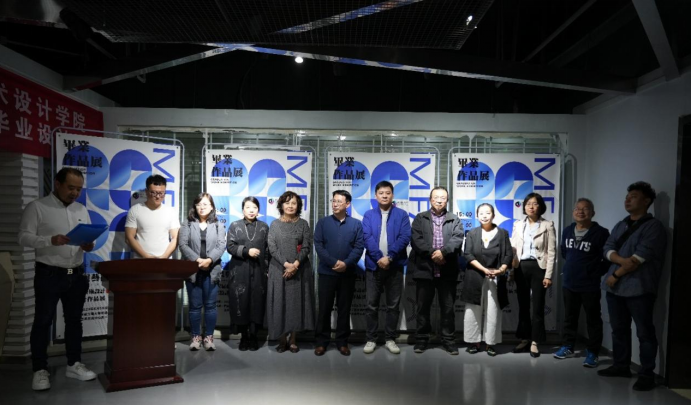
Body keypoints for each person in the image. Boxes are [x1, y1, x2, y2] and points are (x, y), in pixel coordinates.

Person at [18, 168, 97, 391]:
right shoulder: (37, 207)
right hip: (49, 274)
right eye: (71, 188)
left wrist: (88, 245)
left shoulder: (81, 209)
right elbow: (23, 237)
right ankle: (40, 369)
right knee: (43, 321)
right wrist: (49, 240)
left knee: (74, 321)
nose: (75, 193)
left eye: (79, 189)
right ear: (57, 183)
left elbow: (87, 239)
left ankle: (74, 364)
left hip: (76, 274)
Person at [597, 182, 666, 391]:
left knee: (644, 332)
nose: (627, 200)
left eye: (633, 196)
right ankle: (621, 365)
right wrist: (621, 261)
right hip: (615, 289)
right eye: (627, 196)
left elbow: (639, 258)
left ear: (646, 201)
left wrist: (615, 273)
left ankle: (647, 374)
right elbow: (607, 248)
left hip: (639, 288)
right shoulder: (621, 224)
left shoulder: (654, 227)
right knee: (619, 329)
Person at [553, 198, 610, 367]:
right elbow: (564, 252)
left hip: (589, 284)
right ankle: (567, 346)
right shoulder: (567, 230)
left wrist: (594, 272)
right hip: (569, 282)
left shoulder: (601, 233)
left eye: (585, 209)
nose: (580, 211)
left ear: (593, 213)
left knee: (593, 319)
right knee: (569, 317)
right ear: (573, 212)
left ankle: (593, 352)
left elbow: (607, 257)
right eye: (577, 208)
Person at [409, 186, 464, 355]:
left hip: (447, 271)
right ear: (430, 199)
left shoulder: (454, 219)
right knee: (422, 308)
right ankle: (421, 340)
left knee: (447, 309)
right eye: (436, 197)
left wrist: (443, 253)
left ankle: (449, 341)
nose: (439, 200)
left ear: (447, 200)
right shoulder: (420, 218)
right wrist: (434, 253)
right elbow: (416, 240)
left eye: (443, 198)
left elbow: (457, 239)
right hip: (425, 270)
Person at [361, 180, 411, 354]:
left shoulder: (402, 215)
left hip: (394, 266)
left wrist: (389, 257)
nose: (384, 196)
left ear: (392, 195)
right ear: (375, 196)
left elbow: (405, 237)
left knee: (393, 306)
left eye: (387, 193)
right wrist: (379, 258)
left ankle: (390, 339)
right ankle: (371, 339)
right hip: (373, 267)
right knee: (371, 305)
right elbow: (366, 238)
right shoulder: (368, 215)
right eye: (381, 193)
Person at [313, 190, 364, 356]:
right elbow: (318, 245)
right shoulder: (323, 223)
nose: (335, 204)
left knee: (344, 309)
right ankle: (322, 342)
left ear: (347, 204)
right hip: (326, 273)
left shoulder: (356, 224)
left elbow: (359, 247)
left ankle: (342, 342)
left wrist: (346, 263)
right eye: (333, 201)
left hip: (347, 274)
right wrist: (334, 263)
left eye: (339, 201)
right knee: (324, 309)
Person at [266, 191, 315, 353]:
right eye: (287, 203)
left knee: (295, 305)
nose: (290, 206)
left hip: (299, 269)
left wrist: (295, 265)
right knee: (280, 303)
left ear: (298, 206)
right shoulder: (274, 225)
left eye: (294, 203)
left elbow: (306, 246)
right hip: (278, 269)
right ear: (281, 205)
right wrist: (286, 264)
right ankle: (282, 339)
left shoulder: (303, 224)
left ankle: (293, 339)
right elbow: (272, 247)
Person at [462, 203, 512, 357]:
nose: (484, 216)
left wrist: (501, 270)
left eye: (488, 213)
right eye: (481, 213)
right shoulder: (472, 233)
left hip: (496, 277)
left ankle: (490, 343)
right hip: (475, 275)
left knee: (493, 311)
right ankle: (474, 342)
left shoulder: (502, 233)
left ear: (493, 215)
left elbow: (508, 255)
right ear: (477, 216)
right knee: (472, 310)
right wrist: (484, 270)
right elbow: (468, 254)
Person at [510, 192, 557, 358]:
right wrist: (511, 271)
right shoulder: (517, 224)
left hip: (539, 268)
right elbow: (513, 249)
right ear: (524, 207)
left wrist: (548, 275)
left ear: (540, 206)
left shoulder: (547, 225)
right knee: (523, 306)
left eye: (535, 203)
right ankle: (524, 338)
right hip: (520, 267)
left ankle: (535, 341)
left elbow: (551, 252)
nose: (531, 206)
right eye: (528, 203)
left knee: (537, 306)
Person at [178, 193, 226, 351]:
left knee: (211, 306)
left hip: (212, 270)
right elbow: (183, 245)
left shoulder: (218, 225)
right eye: (199, 204)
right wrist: (198, 260)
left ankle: (209, 337)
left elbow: (221, 245)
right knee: (195, 306)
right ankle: (195, 337)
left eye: (205, 204)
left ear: (211, 207)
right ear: (195, 207)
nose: (202, 207)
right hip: (193, 271)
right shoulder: (187, 224)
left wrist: (209, 260)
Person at [227, 196, 269, 351]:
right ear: (243, 209)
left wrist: (267, 269)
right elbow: (230, 246)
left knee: (257, 302)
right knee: (241, 301)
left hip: (259, 270)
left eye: (255, 208)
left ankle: (254, 336)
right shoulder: (235, 225)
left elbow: (268, 250)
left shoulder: (264, 227)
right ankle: (244, 336)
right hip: (240, 270)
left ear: (258, 210)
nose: (251, 210)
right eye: (248, 207)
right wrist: (246, 251)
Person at [124, 174, 180, 259]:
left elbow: (175, 238)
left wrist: (164, 257)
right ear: (146, 191)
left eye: (161, 193)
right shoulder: (135, 210)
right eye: (154, 193)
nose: (157, 196)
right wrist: (146, 257)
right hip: (141, 260)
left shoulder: (171, 211)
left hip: (164, 261)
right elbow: (129, 238)